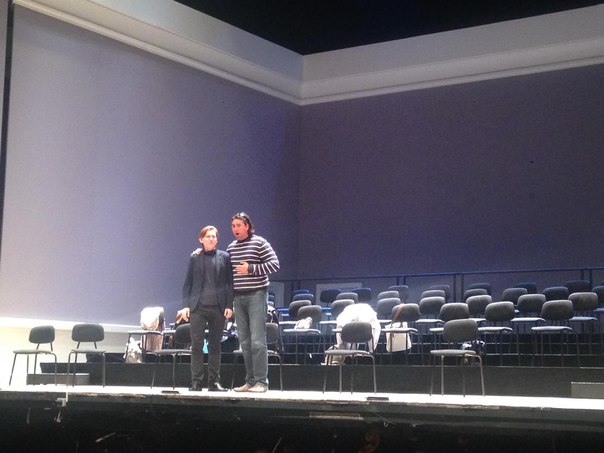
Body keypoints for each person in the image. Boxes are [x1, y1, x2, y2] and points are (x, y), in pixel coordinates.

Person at [228, 211, 280, 393]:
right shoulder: (231, 248)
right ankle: (250, 381)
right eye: (233, 226)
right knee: (245, 342)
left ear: (247, 226)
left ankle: (261, 382)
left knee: (257, 341)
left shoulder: (259, 243)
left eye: (238, 225)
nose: (235, 229)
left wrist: (250, 268)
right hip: (238, 297)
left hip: (256, 295)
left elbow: (274, 264)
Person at [177, 225, 233, 392]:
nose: (211, 239)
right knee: (196, 345)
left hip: (218, 308)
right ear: (201, 239)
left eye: (214, 236)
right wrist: (185, 306)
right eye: (208, 236)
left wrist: (229, 305)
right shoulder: (195, 257)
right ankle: (196, 381)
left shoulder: (225, 257)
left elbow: (230, 284)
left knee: (216, 346)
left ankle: (214, 382)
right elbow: (188, 283)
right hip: (198, 308)